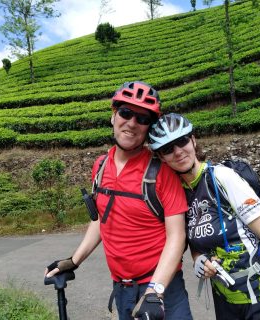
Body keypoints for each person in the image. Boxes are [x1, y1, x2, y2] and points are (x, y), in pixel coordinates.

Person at [45, 82, 193, 320]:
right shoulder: (101, 166)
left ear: (149, 128)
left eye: (143, 118)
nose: (132, 123)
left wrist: (155, 292)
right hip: (122, 289)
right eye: (126, 112)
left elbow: (177, 236)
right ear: (113, 115)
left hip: (163, 288)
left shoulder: (162, 172)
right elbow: (104, 217)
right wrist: (74, 260)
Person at [148, 113, 260, 320]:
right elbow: (195, 240)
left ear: (193, 140)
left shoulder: (221, 177)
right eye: (168, 149)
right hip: (227, 302)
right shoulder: (180, 194)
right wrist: (199, 259)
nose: (178, 152)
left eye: (182, 141)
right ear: (161, 157)